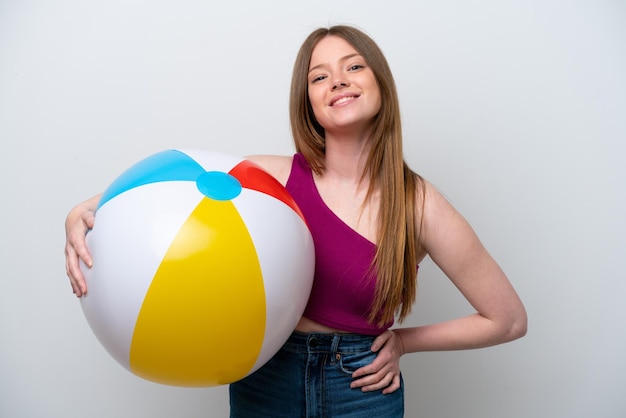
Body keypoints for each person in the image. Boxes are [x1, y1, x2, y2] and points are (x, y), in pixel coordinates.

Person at [65, 25, 527, 417]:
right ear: (308, 101)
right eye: (319, 76)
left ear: (380, 82)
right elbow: (154, 193)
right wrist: (78, 214)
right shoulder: (274, 178)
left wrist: (403, 342)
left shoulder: (418, 204)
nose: (337, 82)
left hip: (360, 390)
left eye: (354, 66)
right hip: (265, 377)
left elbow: (506, 319)